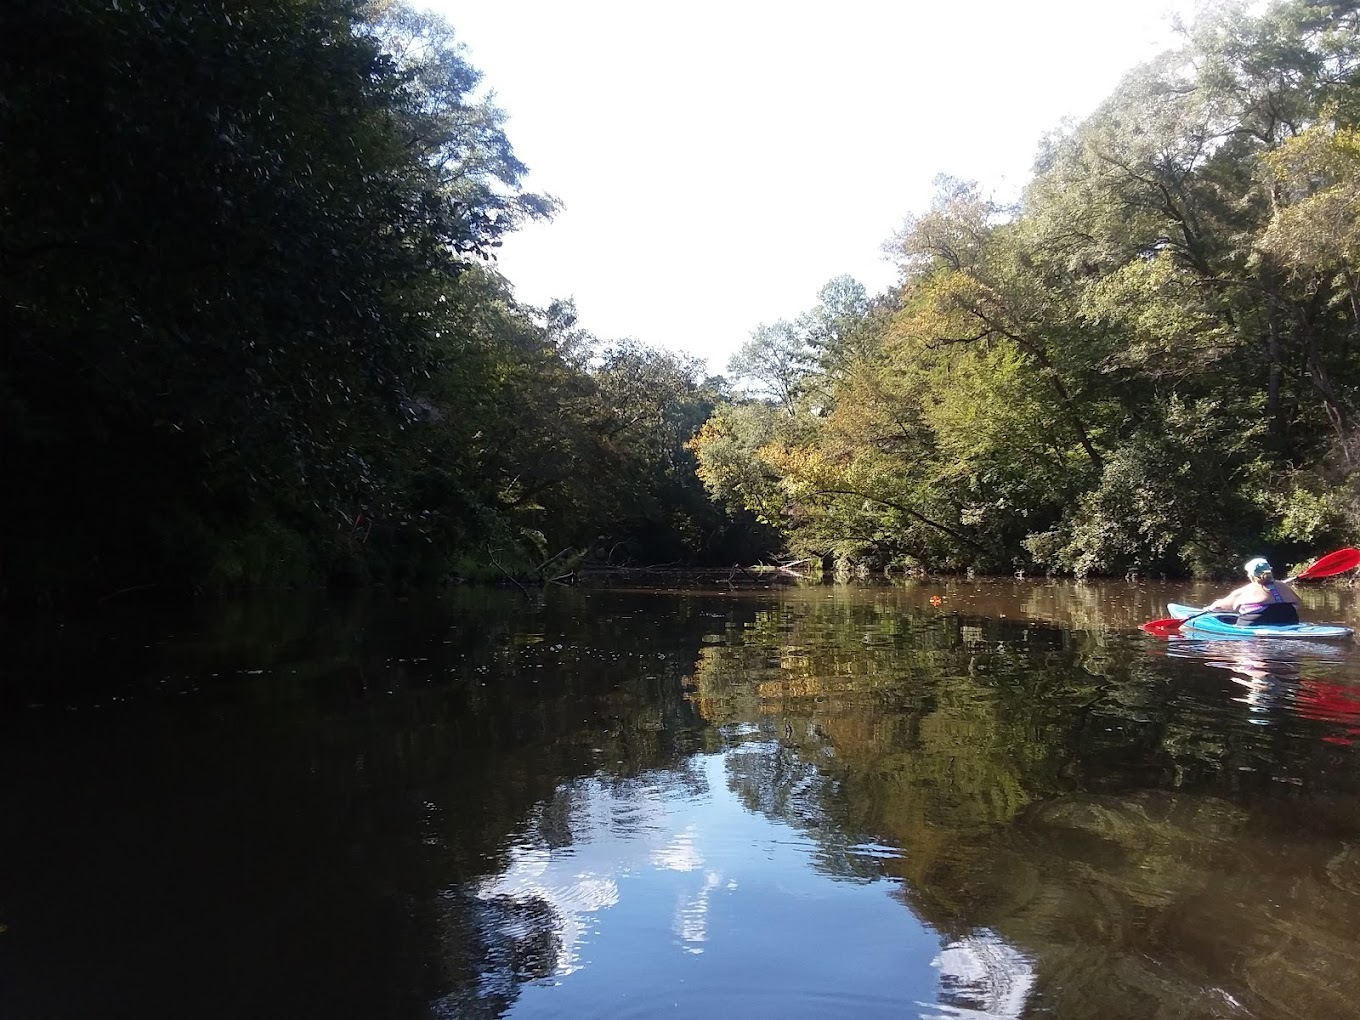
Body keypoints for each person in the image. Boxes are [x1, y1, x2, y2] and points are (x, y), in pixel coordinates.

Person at [1205, 557, 1301, 626]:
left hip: (1256, 623)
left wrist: (1210, 608)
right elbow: (1298, 602)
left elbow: (1223, 605)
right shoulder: (1283, 586)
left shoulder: (1247, 590)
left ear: (1251, 575)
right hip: (1289, 620)